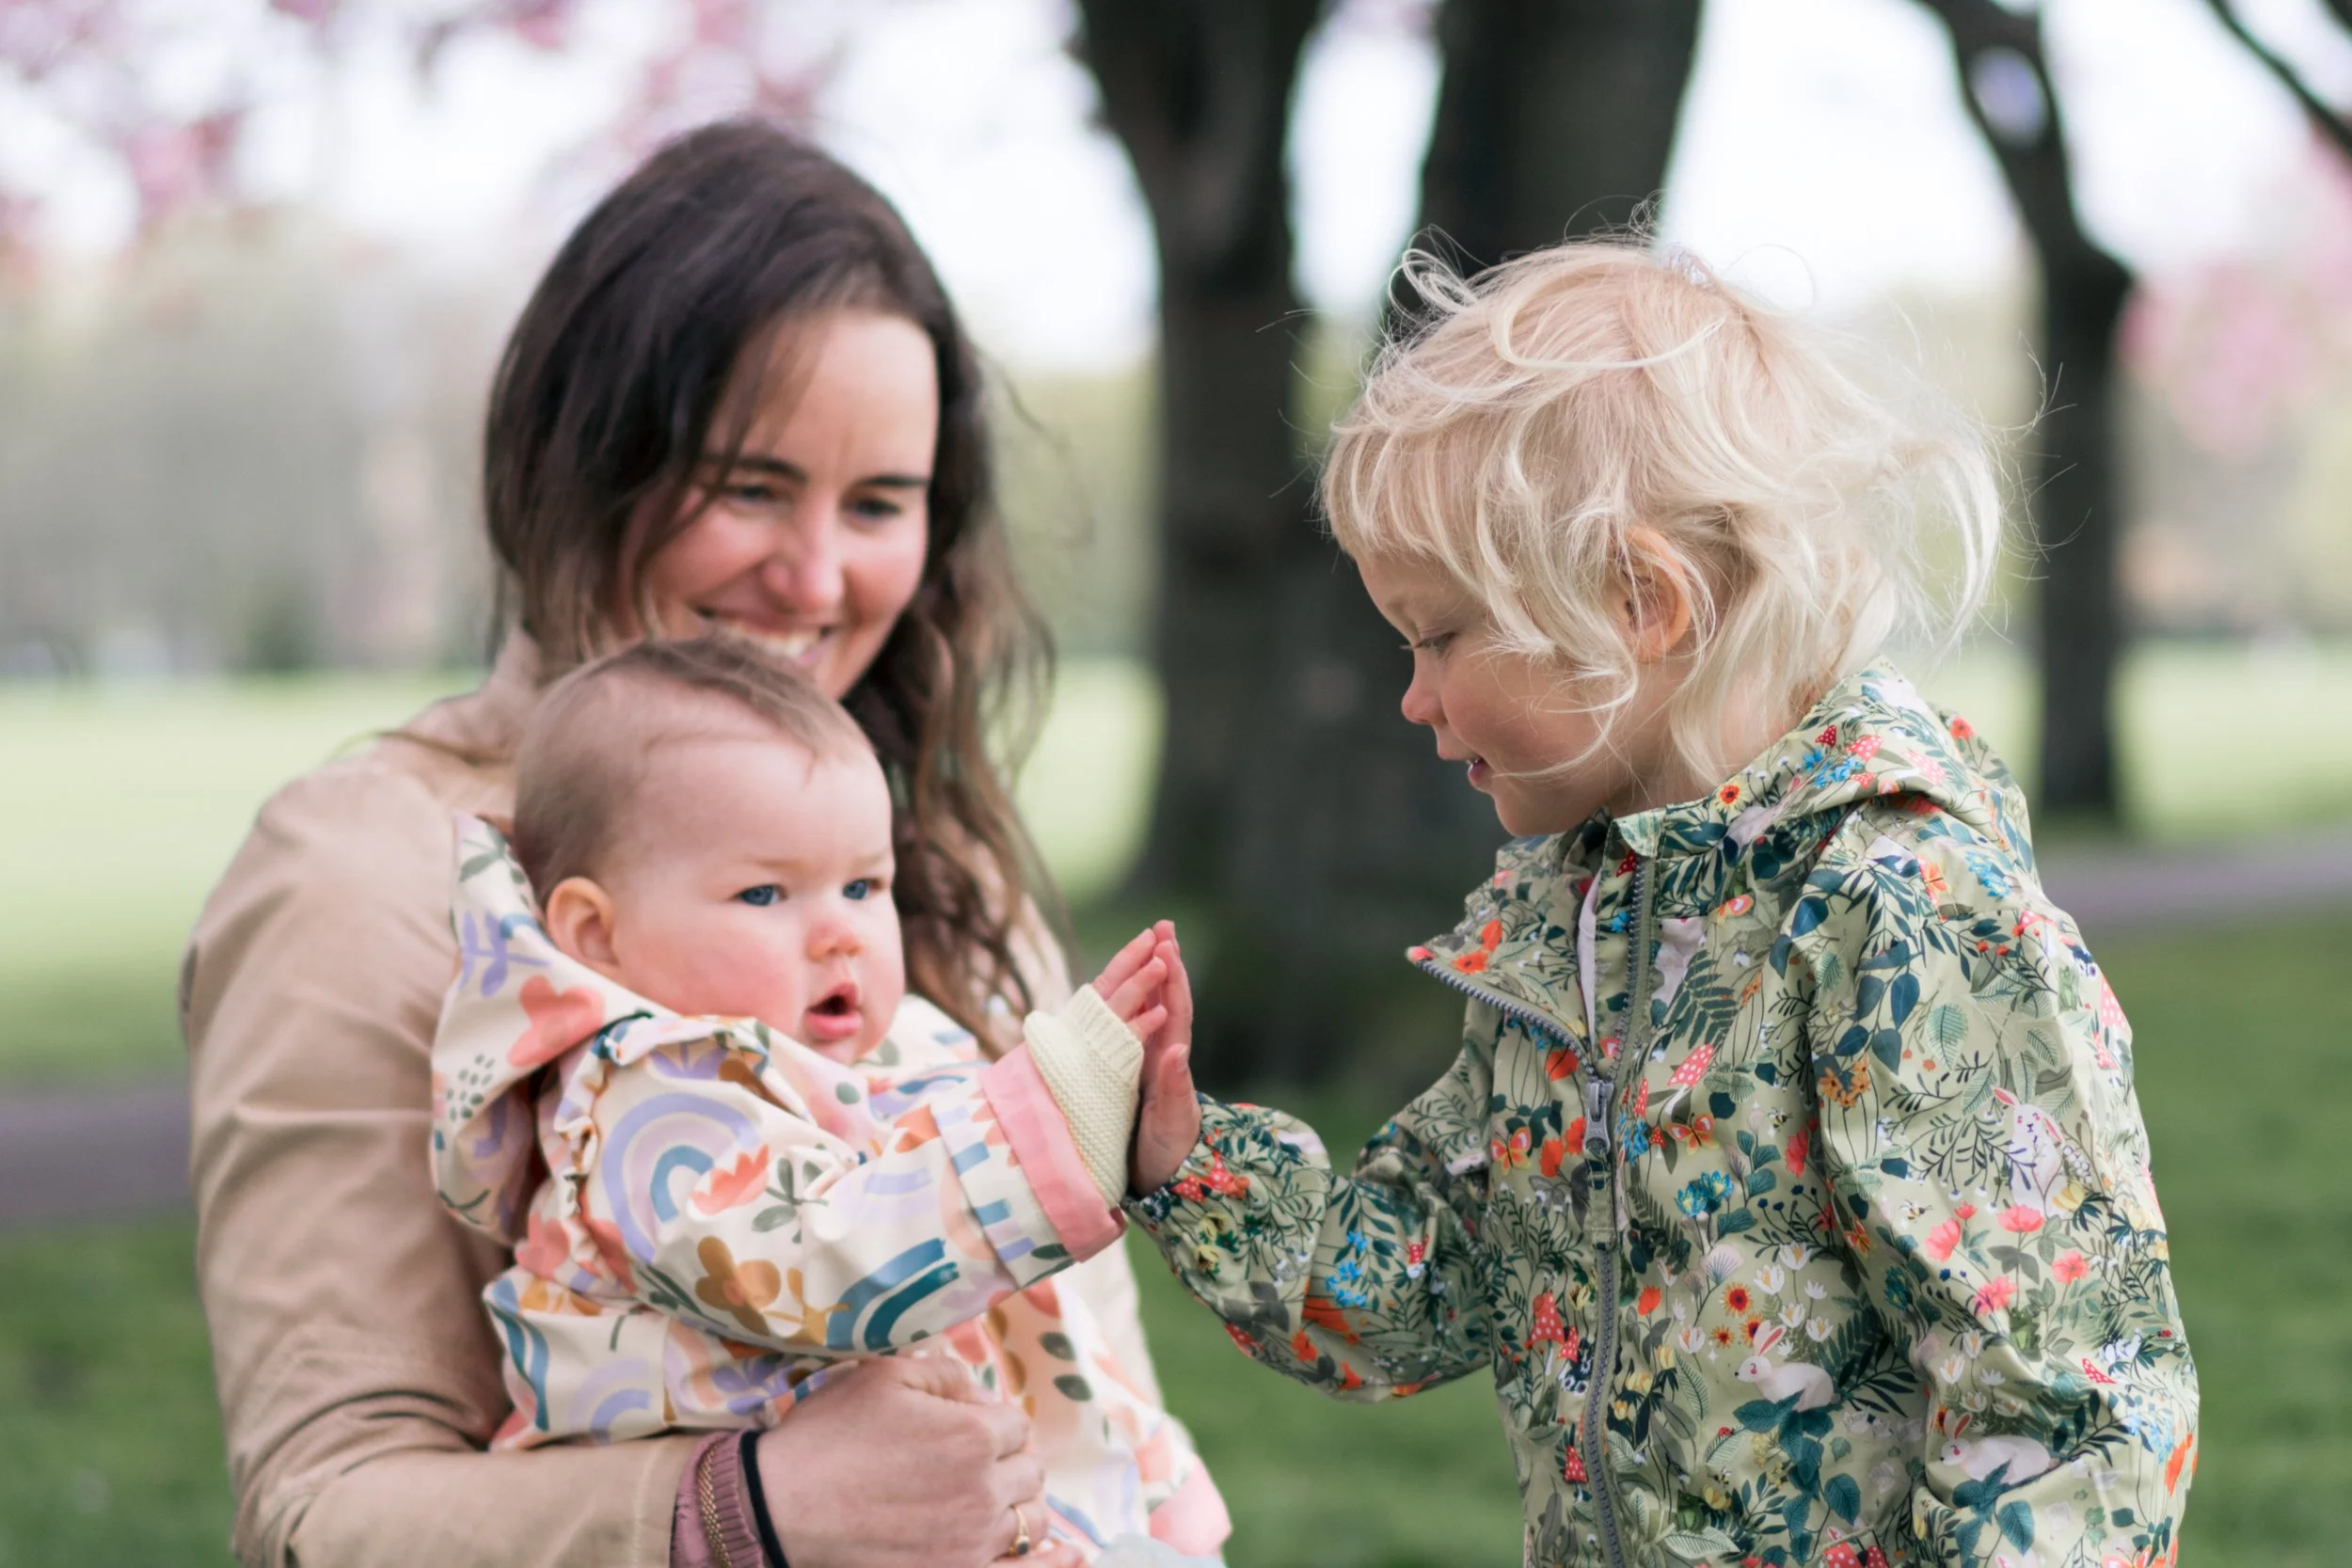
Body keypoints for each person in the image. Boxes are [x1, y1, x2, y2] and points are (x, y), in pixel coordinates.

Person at [1087, 243, 2200, 1566]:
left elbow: (2061, 1406)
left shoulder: (1899, 916)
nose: (1415, 697)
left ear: (1640, 602)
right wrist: (1185, 1162)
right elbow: (1416, 1281)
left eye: (1439, 636)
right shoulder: (1573, 933)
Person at [183, 119, 1178, 1568]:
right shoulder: (369, 873)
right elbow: (323, 1512)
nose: (820, 576)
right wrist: (740, 1510)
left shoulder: (937, 874)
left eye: (881, 502)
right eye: (750, 485)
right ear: (585, 457)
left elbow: (1108, 1412)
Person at [428, 634, 1223, 1561]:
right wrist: (1057, 1112)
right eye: (765, 892)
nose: (839, 932)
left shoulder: (891, 1042)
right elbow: (823, 1258)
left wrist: (1122, 1135)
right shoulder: (639, 1107)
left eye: (862, 883)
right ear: (597, 933)